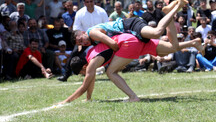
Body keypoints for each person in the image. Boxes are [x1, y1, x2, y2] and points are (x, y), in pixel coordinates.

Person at [58, 30, 203, 104]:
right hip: (131, 39)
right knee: (170, 48)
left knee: (111, 73)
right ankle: (192, 43)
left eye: (83, 73)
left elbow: (85, 85)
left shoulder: (91, 62)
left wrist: (66, 101)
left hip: (127, 44)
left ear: (84, 67)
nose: (86, 74)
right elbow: (91, 80)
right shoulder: (90, 53)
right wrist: (88, 99)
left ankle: (133, 97)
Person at [73, 0, 189, 52]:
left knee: (157, 33)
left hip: (130, 25)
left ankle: (170, 12)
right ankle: (194, 43)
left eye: (81, 39)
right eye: (81, 44)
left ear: (83, 33)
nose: (84, 43)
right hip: (130, 32)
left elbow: (113, 44)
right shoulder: (92, 39)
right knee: (173, 47)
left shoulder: (92, 33)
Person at [57, 0, 109, 82]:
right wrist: (79, 43)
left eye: (91, 1)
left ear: (94, 2)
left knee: (110, 50)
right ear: (84, 3)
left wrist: (104, 38)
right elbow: (76, 29)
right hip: (84, 39)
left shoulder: (101, 11)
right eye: (87, 2)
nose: (89, 3)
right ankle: (66, 75)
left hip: (100, 37)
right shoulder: (80, 13)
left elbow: (107, 26)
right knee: (74, 53)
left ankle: (111, 71)